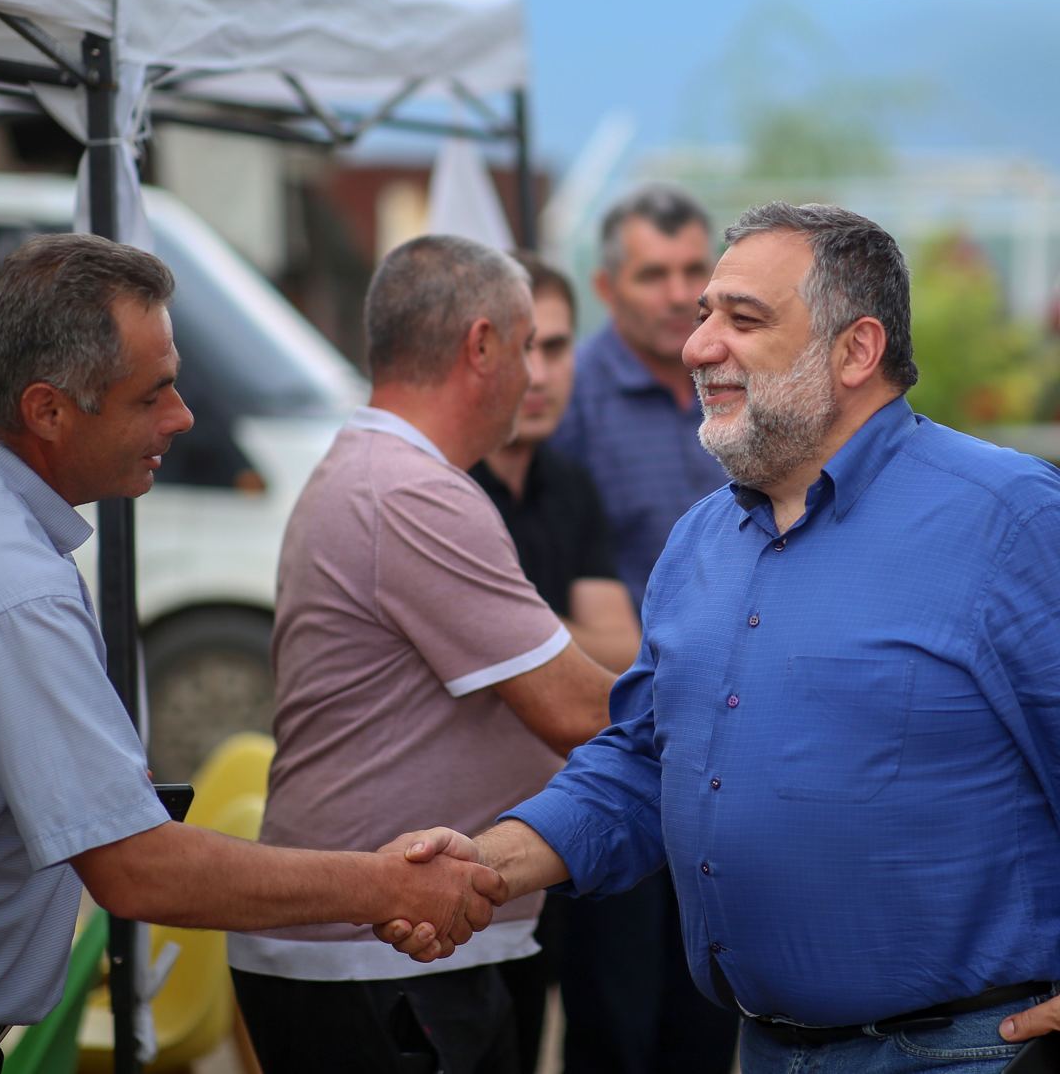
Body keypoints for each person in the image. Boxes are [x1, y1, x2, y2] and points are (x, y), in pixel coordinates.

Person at [0, 233, 505, 1074]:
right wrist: (390, 886)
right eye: (151, 395)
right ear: (47, 410)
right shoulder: (8, 590)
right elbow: (138, 872)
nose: (183, 417)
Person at [381, 203, 1060, 1074]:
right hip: (766, 1052)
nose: (699, 346)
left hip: (967, 1055)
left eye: (743, 320)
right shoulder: (701, 538)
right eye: (706, 316)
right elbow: (639, 763)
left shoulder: (1008, 520)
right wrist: (487, 864)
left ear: (856, 351)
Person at [229, 235, 616, 1074]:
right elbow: (579, 712)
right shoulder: (413, 491)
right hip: (379, 961)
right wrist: (739, 697)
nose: (533, 375)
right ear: (480, 346)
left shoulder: (381, 471)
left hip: (386, 955)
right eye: (524, 347)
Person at [551, 186, 736, 1072]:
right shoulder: (574, 398)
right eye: (651, 273)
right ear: (606, 284)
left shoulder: (741, 386)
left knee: (713, 1008)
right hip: (624, 744)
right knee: (618, 1019)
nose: (676, 293)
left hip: (731, 755)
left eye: (693, 270)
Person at [469, 253, 641, 1072]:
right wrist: (559, 632)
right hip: (463, 848)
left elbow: (625, 643)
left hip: (569, 826)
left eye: (560, 346)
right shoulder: (446, 488)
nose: (538, 374)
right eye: (520, 345)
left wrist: (521, 627)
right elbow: (582, 670)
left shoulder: (569, 483)